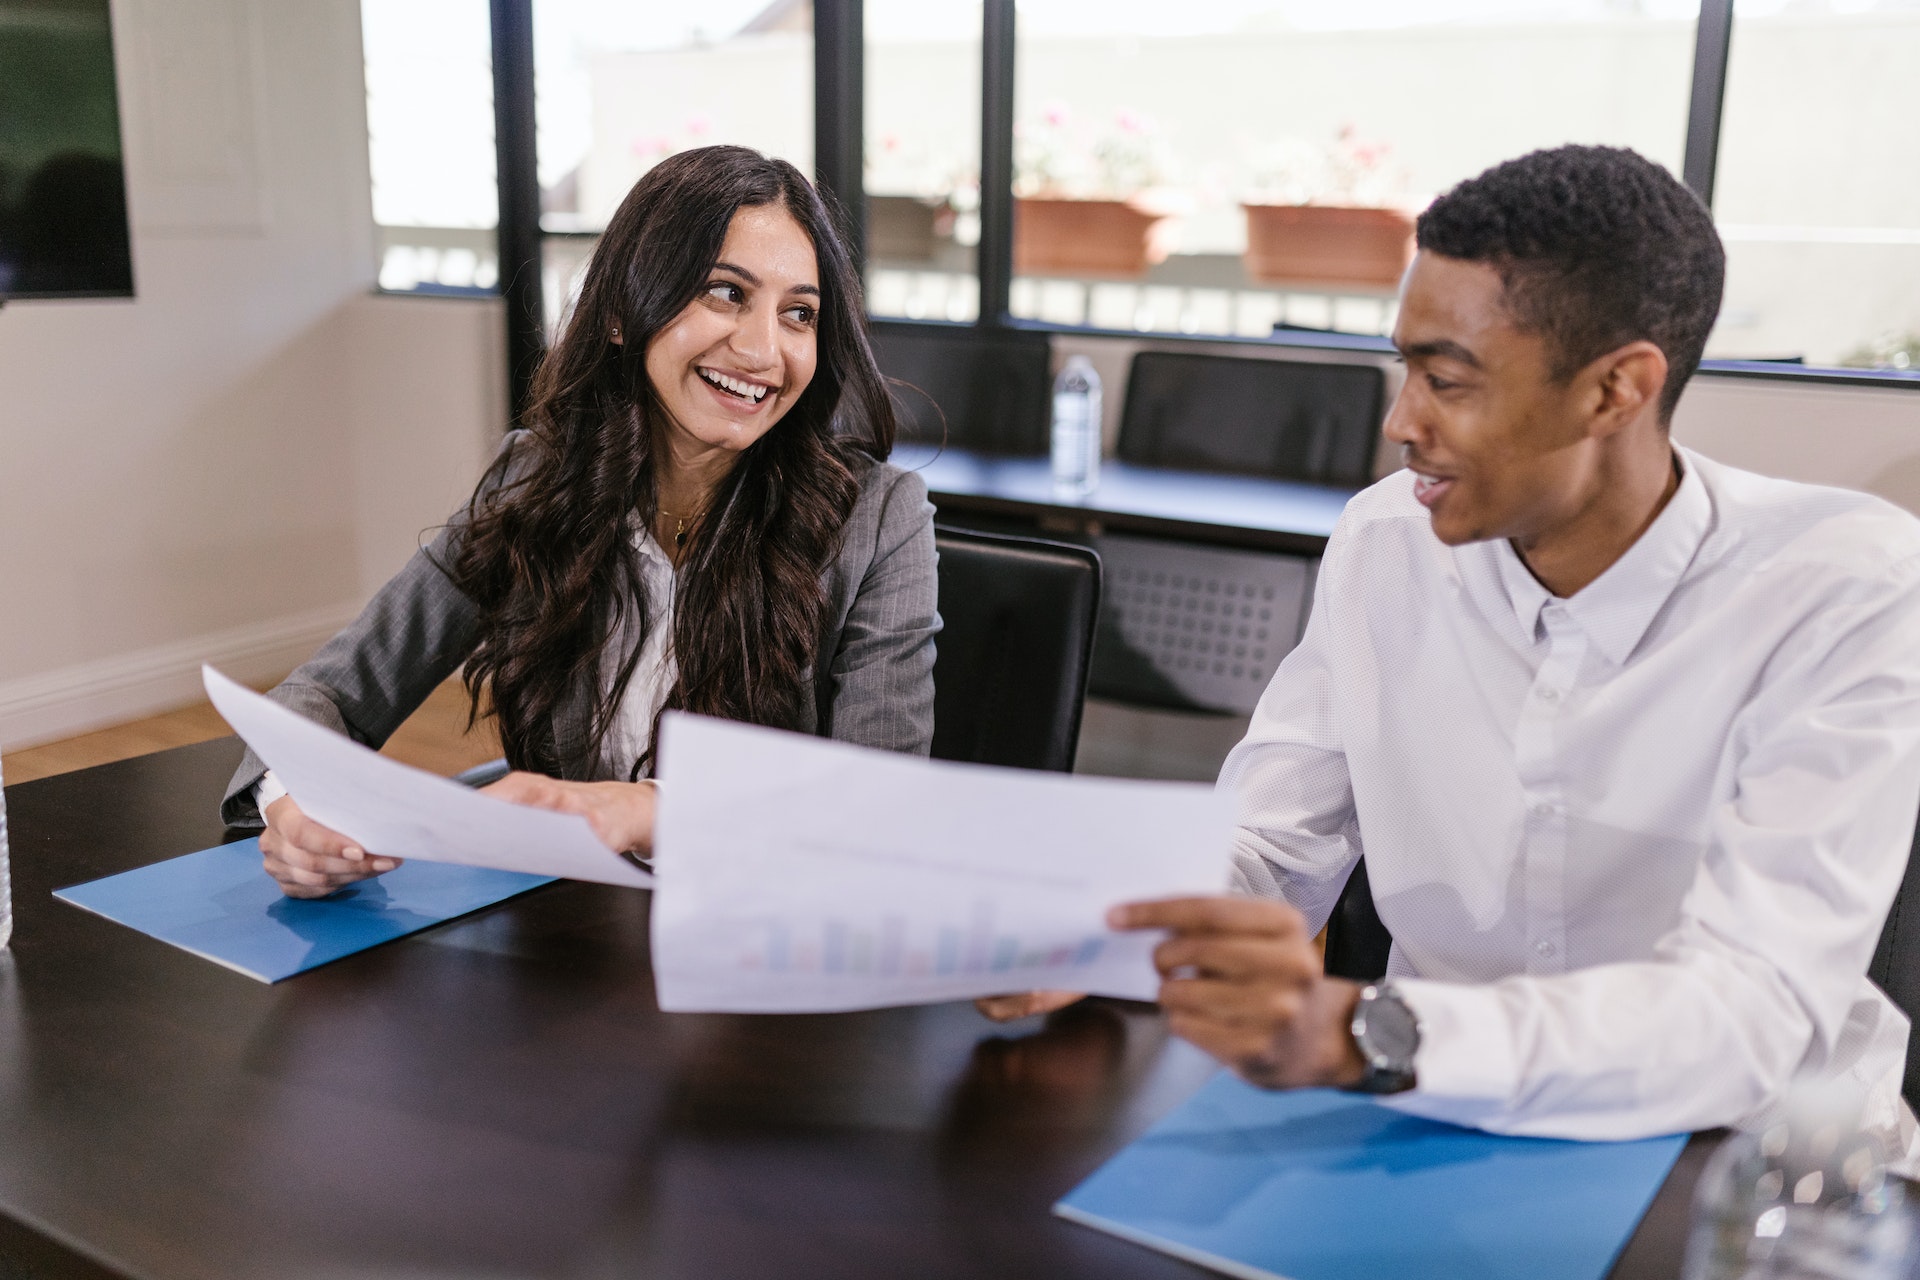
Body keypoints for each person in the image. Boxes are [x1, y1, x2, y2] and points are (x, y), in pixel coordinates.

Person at [990, 144, 1920, 1158]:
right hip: (1436, 1118)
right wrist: (1103, 924)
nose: (1400, 421)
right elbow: (1270, 847)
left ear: (1616, 391)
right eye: (1404, 367)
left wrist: (1372, 1032)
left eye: (1447, 379)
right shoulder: (1384, 539)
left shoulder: (1843, 583)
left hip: (1748, 1157)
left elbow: (1748, 1011)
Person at [222, 145, 939, 899]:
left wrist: (647, 809)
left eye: (799, 313)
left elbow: (876, 812)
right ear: (626, 313)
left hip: (758, 950)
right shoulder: (533, 477)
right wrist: (296, 807)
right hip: (563, 943)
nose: (764, 349)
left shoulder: (881, 519)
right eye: (726, 293)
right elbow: (331, 692)